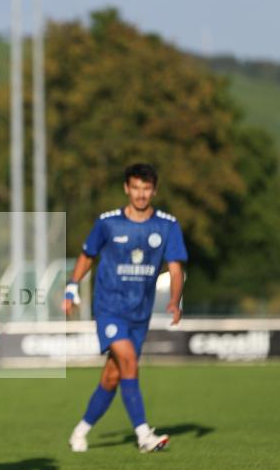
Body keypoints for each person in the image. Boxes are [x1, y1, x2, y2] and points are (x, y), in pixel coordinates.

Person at [64, 164, 187, 453]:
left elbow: (176, 269)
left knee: (113, 375)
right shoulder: (107, 223)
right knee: (129, 360)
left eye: (146, 189)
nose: (141, 194)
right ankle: (144, 435)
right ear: (126, 189)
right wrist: (71, 287)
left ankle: (80, 431)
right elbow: (87, 256)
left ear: (154, 191)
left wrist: (174, 299)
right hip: (109, 308)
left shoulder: (167, 225)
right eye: (136, 188)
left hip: (139, 313)